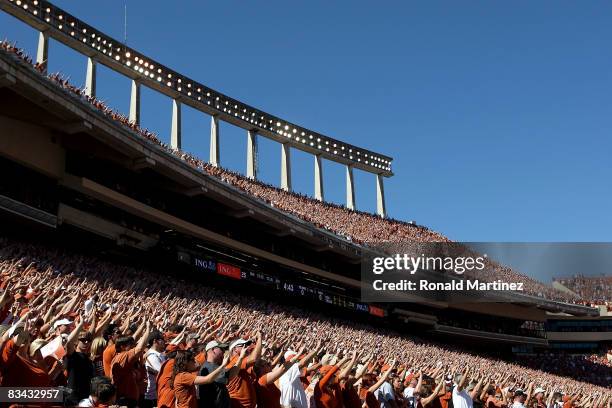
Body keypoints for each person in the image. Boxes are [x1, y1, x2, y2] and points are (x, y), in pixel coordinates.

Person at [110, 321, 151, 408]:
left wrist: (141, 362)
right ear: (122, 347)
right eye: (131, 345)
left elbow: (140, 378)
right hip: (124, 400)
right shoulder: (122, 356)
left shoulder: (130, 360)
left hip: (133, 399)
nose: (133, 346)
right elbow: (139, 348)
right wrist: (147, 329)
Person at [225, 333, 262, 408]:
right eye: (243, 345)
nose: (246, 347)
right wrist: (260, 338)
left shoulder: (239, 359)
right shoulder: (235, 361)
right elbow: (254, 357)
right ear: (235, 349)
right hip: (239, 404)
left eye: (246, 345)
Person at [143, 330, 166, 408]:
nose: (164, 342)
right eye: (162, 340)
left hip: (157, 393)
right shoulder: (152, 356)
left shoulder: (159, 354)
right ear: (155, 341)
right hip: (152, 396)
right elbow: (163, 373)